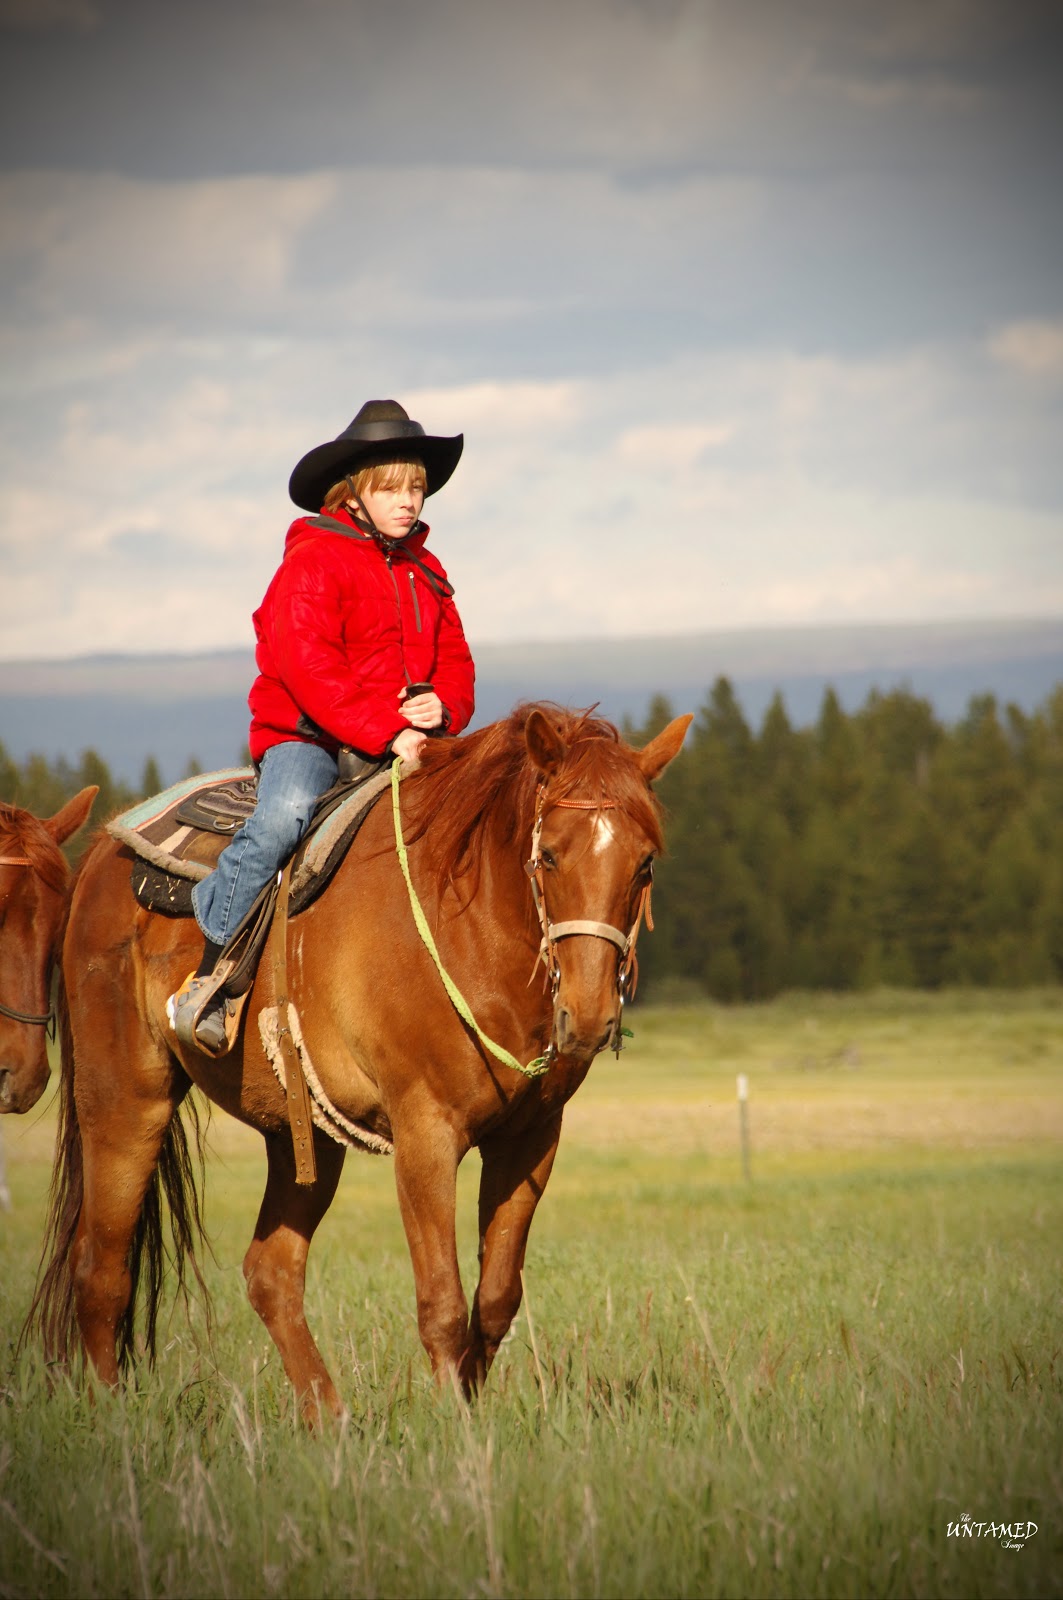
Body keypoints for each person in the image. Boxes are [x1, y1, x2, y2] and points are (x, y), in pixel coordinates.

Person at [167, 399, 475, 1054]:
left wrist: (441, 708)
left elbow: (455, 661)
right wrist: (386, 732)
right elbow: (311, 669)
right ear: (352, 495)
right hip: (308, 736)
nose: (407, 501)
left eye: (416, 487)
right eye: (390, 487)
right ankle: (211, 974)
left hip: (407, 737)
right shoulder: (311, 563)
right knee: (282, 818)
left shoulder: (429, 573)